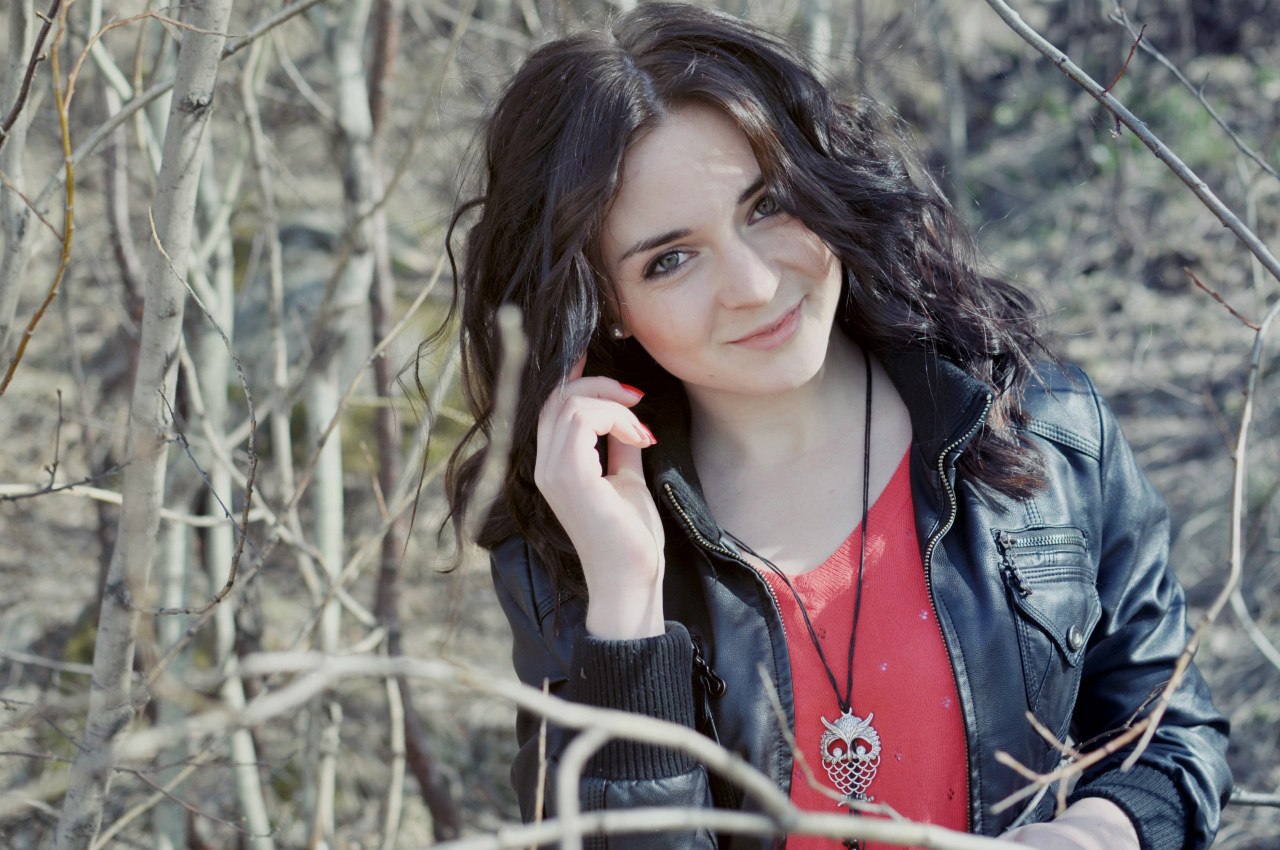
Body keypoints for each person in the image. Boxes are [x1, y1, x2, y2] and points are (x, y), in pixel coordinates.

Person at [442, 4, 1231, 848]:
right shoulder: (569, 546)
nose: (752, 285)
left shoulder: (1046, 438)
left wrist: (1088, 837)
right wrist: (627, 615)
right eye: (670, 260)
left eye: (767, 206)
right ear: (607, 304)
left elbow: (1171, 742)